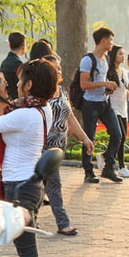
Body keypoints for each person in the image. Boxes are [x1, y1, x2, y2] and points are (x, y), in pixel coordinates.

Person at [0, 59, 56, 257]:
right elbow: (11, 112)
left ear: (29, 85)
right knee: (25, 248)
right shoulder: (43, 108)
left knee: (26, 251)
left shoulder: (24, 115)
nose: (17, 84)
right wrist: (1, 92)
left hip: (19, 187)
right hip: (31, 185)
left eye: (20, 80)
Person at [34, 45, 92, 236]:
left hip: (58, 147)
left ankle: (30, 219)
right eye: (54, 68)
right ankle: (62, 223)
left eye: (59, 68)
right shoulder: (39, 94)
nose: (59, 71)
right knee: (53, 185)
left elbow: (70, 117)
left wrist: (85, 138)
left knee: (40, 186)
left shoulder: (61, 90)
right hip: (42, 148)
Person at [75, 27, 122, 183]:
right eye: (110, 40)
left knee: (117, 134)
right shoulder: (88, 60)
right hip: (90, 104)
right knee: (89, 138)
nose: (112, 43)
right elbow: (83, 84)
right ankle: (88, 171)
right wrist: (104, 83)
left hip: (104, 102)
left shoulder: (106, 59)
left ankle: (108, 168)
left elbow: (101, 80)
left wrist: (108, 87)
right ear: (103, 41)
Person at [104, 45, 129, 179]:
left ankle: (105, 155)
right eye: (120, 54)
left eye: (123, 54)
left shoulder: (124, 71)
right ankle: (121, 166)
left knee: (122, 137)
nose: (123, 56)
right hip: (113, 107)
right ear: (113, 55)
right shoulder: (108, 72)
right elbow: (106, 91)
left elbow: (124, 90)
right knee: (121, 136)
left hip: (123, 106)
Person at [0, 31, 26, 101]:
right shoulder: (18, 63)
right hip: (17, 100)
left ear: (9, 45)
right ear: (23, 45)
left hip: (6, 98)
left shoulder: (4, 63)